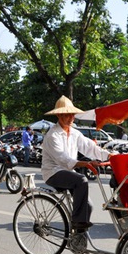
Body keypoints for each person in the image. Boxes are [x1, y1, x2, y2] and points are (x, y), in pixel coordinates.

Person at [41, 96, 113, 230]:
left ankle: (78, 237)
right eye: (66, 115)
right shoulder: (52, 135)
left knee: (88, 206)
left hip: (68, 172)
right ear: (58, 115)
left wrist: (109, 156)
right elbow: (62, 159)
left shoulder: (75, 133)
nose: (70, 118)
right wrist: (84, 164)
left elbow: (90, 148)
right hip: (53, 172)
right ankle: (77, 223)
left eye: (72, 115)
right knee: (81, 180)